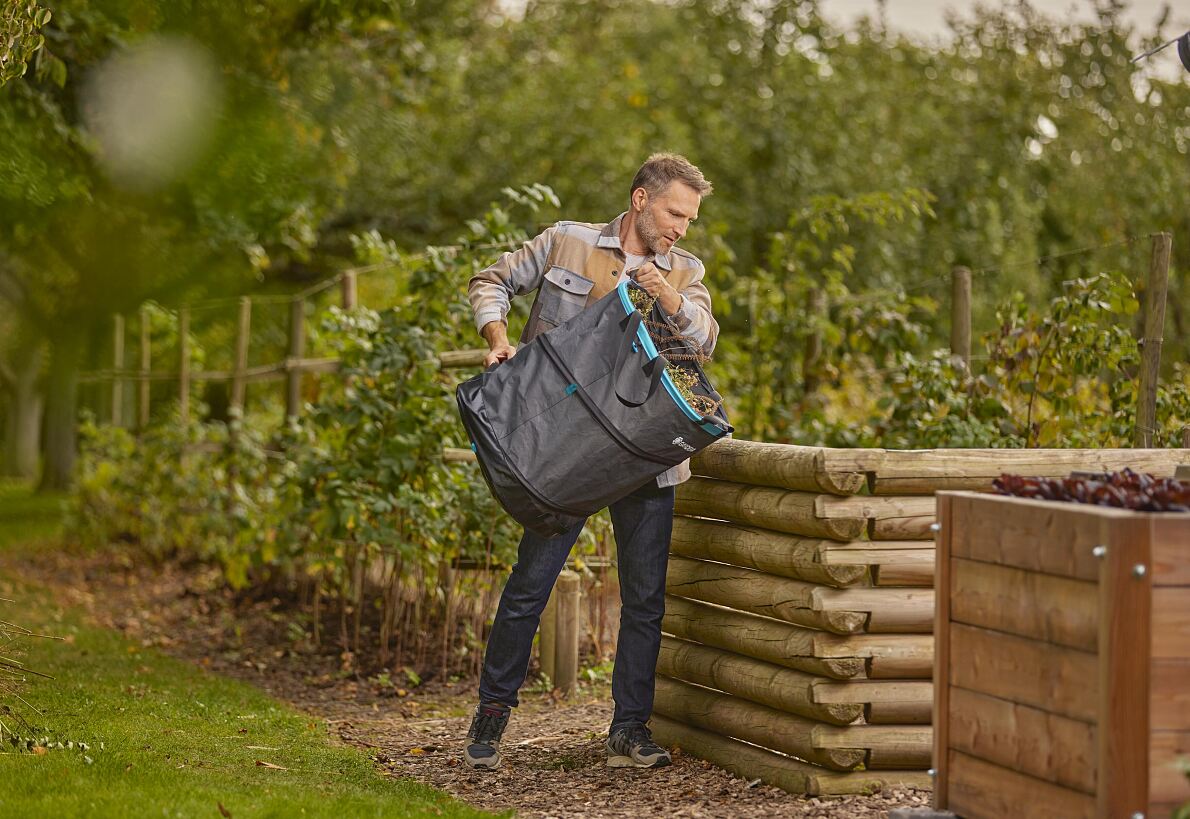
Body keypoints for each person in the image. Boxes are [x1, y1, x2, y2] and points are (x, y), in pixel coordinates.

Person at [463, 153, 719, 770]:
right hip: (564, 455)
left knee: (644, 600)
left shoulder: (685, 269)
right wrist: (498, 342)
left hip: (646, 457)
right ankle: (490, 723)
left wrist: (671, 300)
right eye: (674, 213)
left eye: (690, 218)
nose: (682, 228)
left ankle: (629, 731)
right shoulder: (567, 243)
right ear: (639, 200)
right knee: (530, 586)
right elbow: (489, 281)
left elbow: (706, 339)